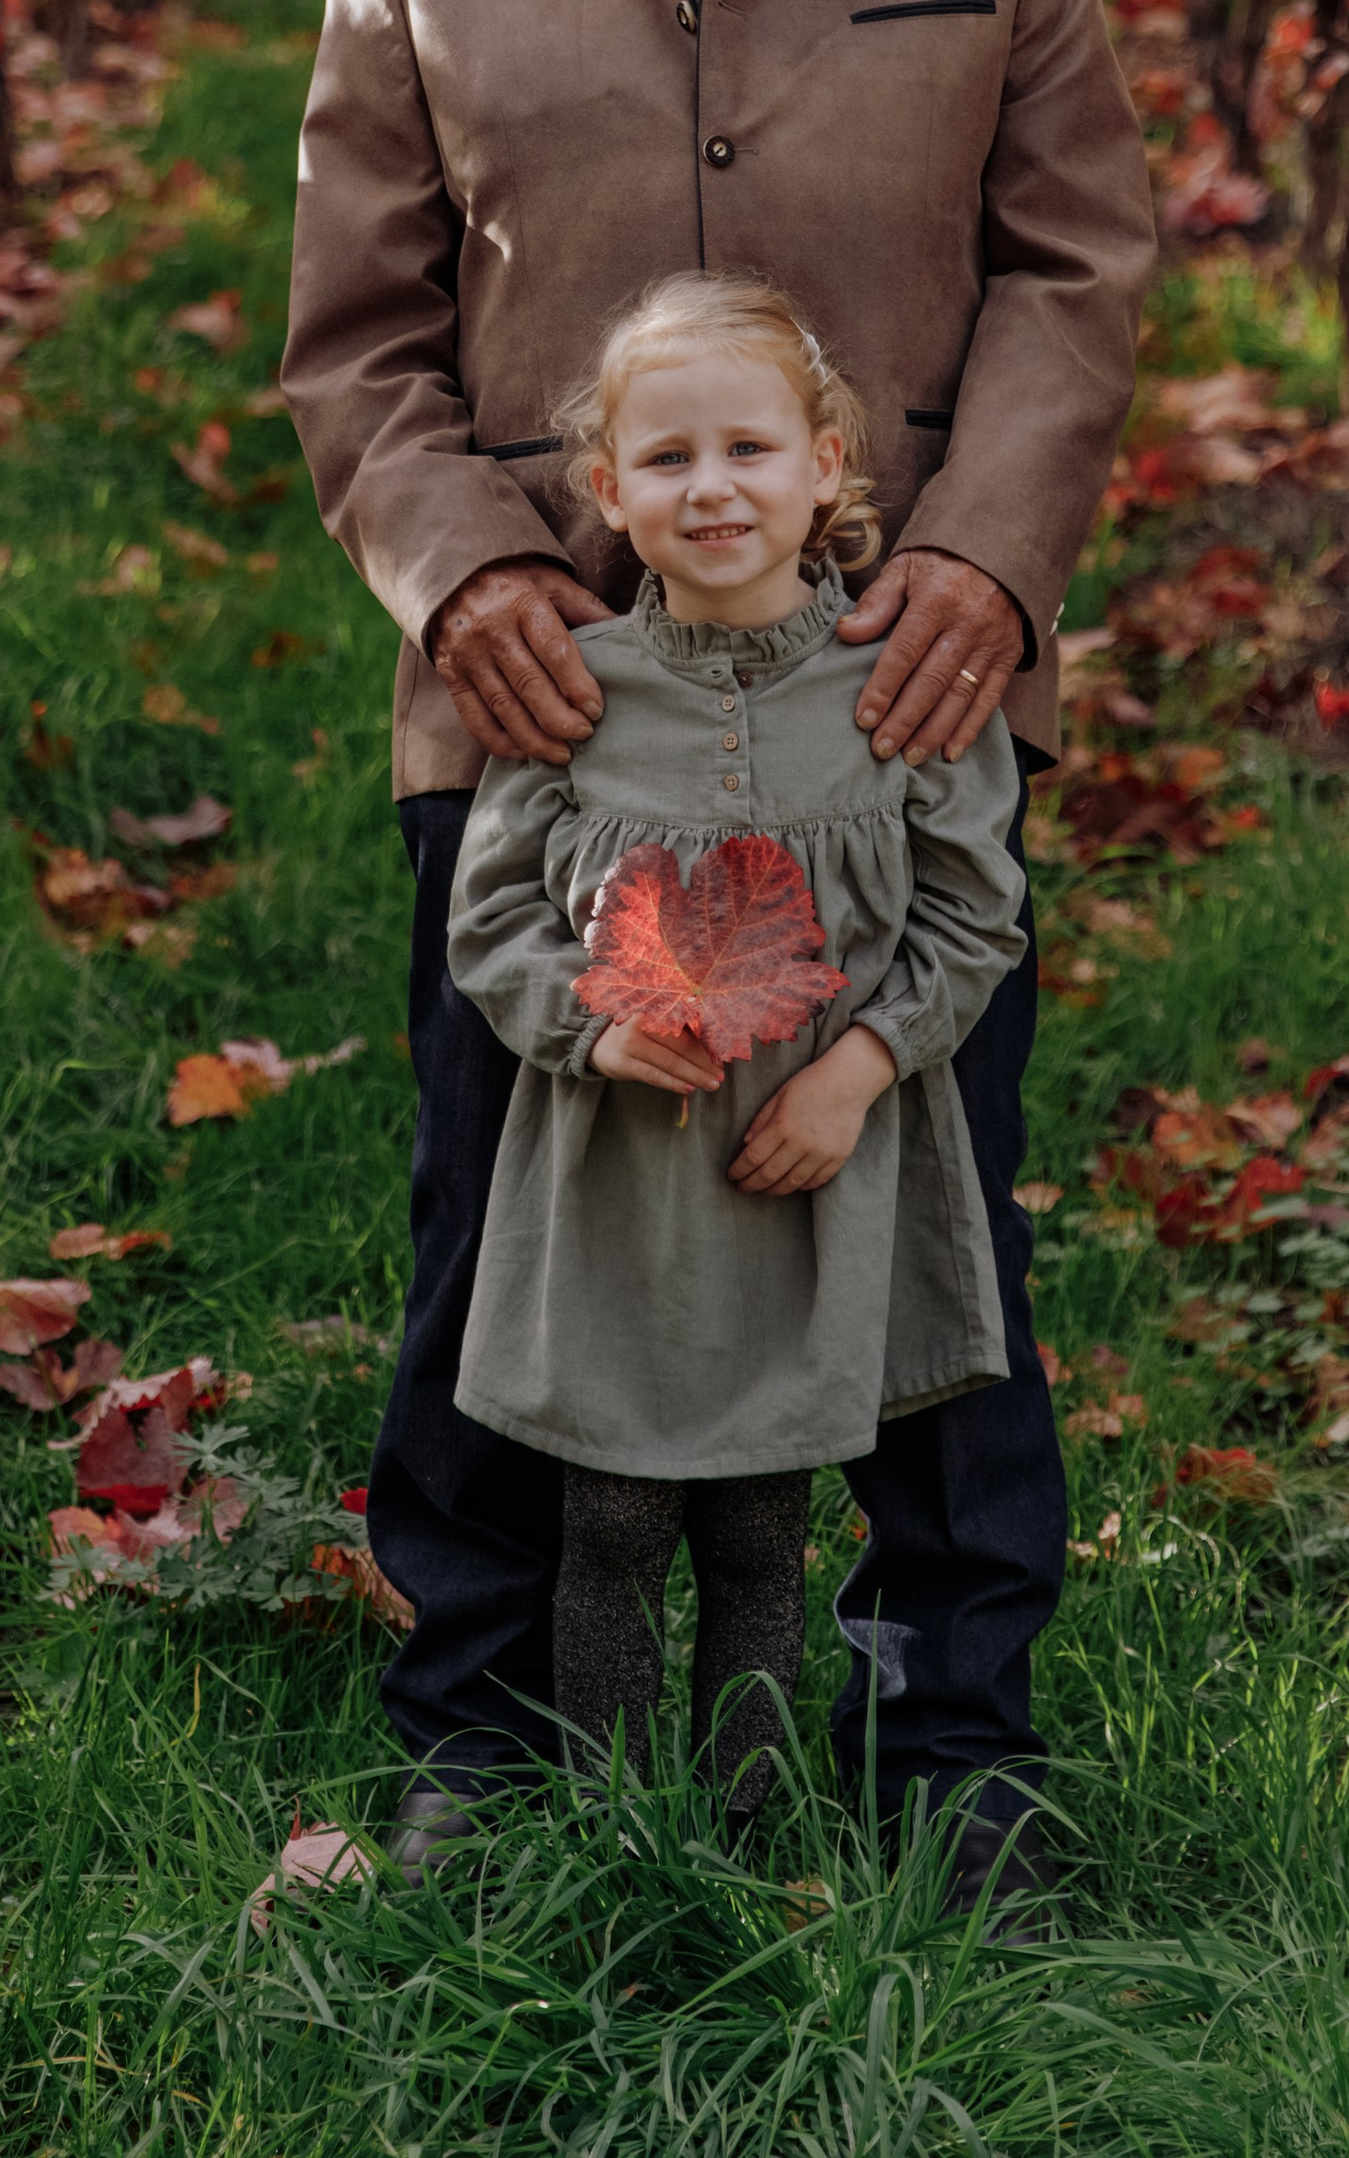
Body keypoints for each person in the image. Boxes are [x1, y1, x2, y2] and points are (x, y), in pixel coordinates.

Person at [282, 0, 1154, 1913]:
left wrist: (986, 560)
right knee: (508, 1197)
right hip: (553, 713)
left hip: (893, 698)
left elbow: (1076, 273)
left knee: (924, 1191)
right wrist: (464, 580)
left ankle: (948, 1722)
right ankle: (489, 1728)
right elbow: (351, 343)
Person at [445, 277, 1024, 1832]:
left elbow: (975, 918)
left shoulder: (899, 688)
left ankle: (753, 1832)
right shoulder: (578, 695)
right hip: (621, 1180)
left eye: (752, 450)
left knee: (765, 1528)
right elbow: (490, 917)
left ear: (829, 466)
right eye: (670, 459)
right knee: (615, 1523)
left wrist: (858, 1074)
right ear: (609, 493)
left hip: (804, 1180)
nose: (713, 489)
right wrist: (592, 1021)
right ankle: (620, 1833)